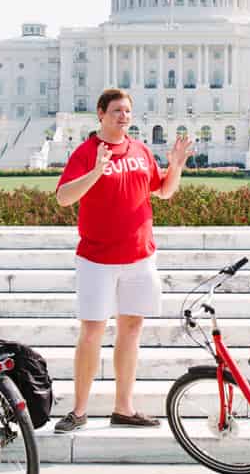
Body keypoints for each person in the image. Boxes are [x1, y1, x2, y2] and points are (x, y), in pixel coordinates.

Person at [51, 88, 191, 432]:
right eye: (116, 111)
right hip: (97, 258)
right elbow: (63, 198)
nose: (123, 116)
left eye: (127, 111)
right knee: (92, 331)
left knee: (131, 329)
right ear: (101, 113)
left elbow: (163, 190)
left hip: (139, 257)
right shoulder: (86, 153)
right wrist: (97, 171)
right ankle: (79, 410)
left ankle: (123, 408)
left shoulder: (141, 150)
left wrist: (175, 167)